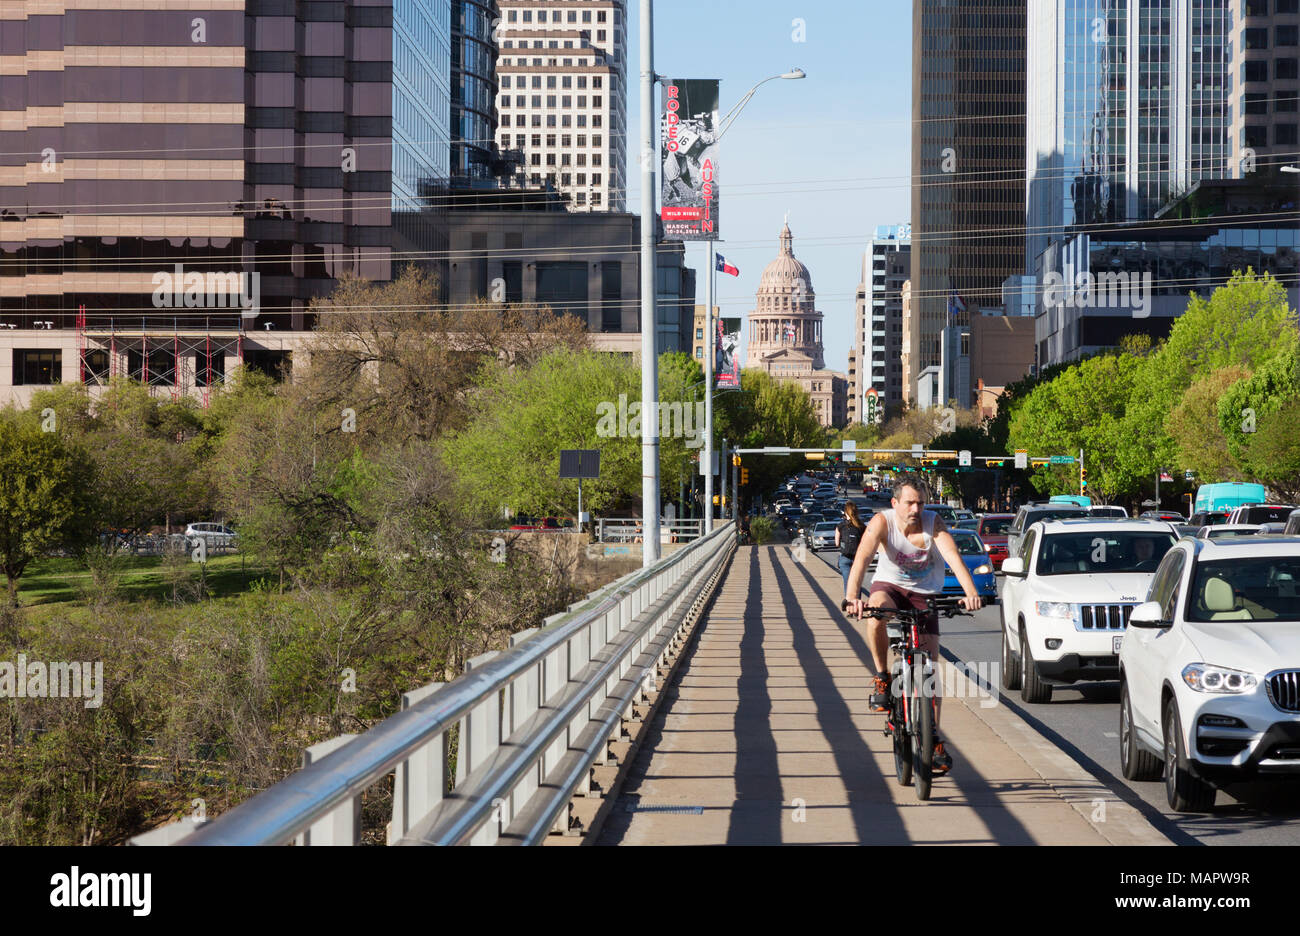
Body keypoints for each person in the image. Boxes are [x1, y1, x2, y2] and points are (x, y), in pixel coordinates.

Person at [843, 475, 984, 775]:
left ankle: (932, 738)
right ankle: (883, 676)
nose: (916, 508)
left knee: (929, 670)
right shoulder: (882, 522)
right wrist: (852, 596)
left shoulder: (934, 523)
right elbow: (861, 558)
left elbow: (953, 558)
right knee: (876, 612)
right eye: (909, 502)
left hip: (924, 594)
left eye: (920, 502)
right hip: (890, 586)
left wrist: (971, 593)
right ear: (895, 503)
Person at [835, 502, 868, 597]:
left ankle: (849, 603)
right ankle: (857, 602)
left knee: (847, 581)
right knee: (857, 581)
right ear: (856, 512)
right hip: (858, 557)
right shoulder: (862, 526)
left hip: (845, 557)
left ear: (845, 512)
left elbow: (837, 543)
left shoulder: (840, 526)